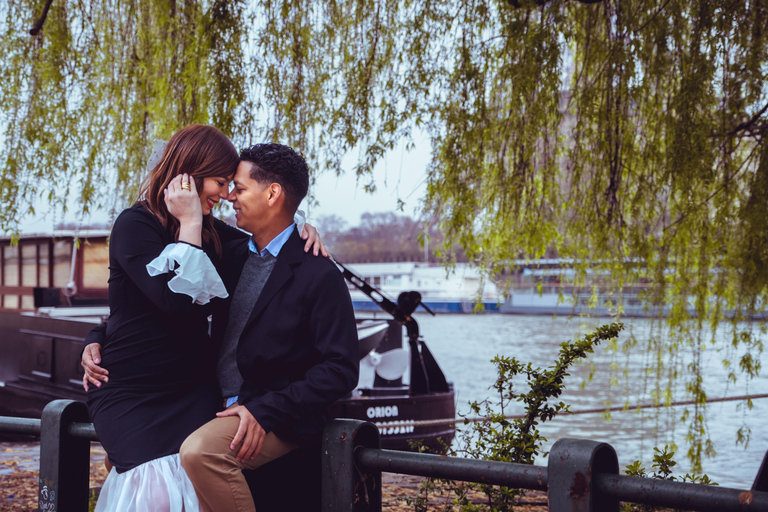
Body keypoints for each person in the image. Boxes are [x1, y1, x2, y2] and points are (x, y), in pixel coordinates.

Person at [82, 125, 325, 512]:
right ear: (190, 174)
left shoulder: (214, 233)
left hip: (192, 387)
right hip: (131, 387)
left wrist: (303, 229)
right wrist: (190, 225)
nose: (227, 194)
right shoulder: (135, 226)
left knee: (196, 483)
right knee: (155, 493)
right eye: (220, 181)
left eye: (233, 184)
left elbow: (268, 237)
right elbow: (167, 302)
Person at [177, 143, 359, 512]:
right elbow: (160, 295)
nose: (229, 197)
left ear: (273, 193)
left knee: (200, 453)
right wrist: (99, 338)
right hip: (216, 405)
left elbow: (340, 369)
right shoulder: (231, 255)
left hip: (280, 417)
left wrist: (266, 410)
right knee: (135, 450)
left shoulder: (318, 274)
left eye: (240, 189)